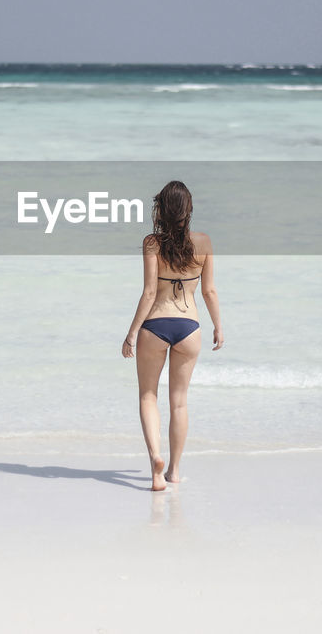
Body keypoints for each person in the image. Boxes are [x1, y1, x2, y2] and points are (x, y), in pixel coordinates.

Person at [121, 180, 224, 491]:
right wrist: (219, 326)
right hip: (189, 328)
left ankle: (156, 462)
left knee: (147, 396)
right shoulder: (204, 243)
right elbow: (208, 291)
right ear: (188, 210)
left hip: (155, 326)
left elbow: (150, 291)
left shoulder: (152, 243)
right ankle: (175, 471)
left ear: (161, 210)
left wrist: (131, 333)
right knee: (179, 402)